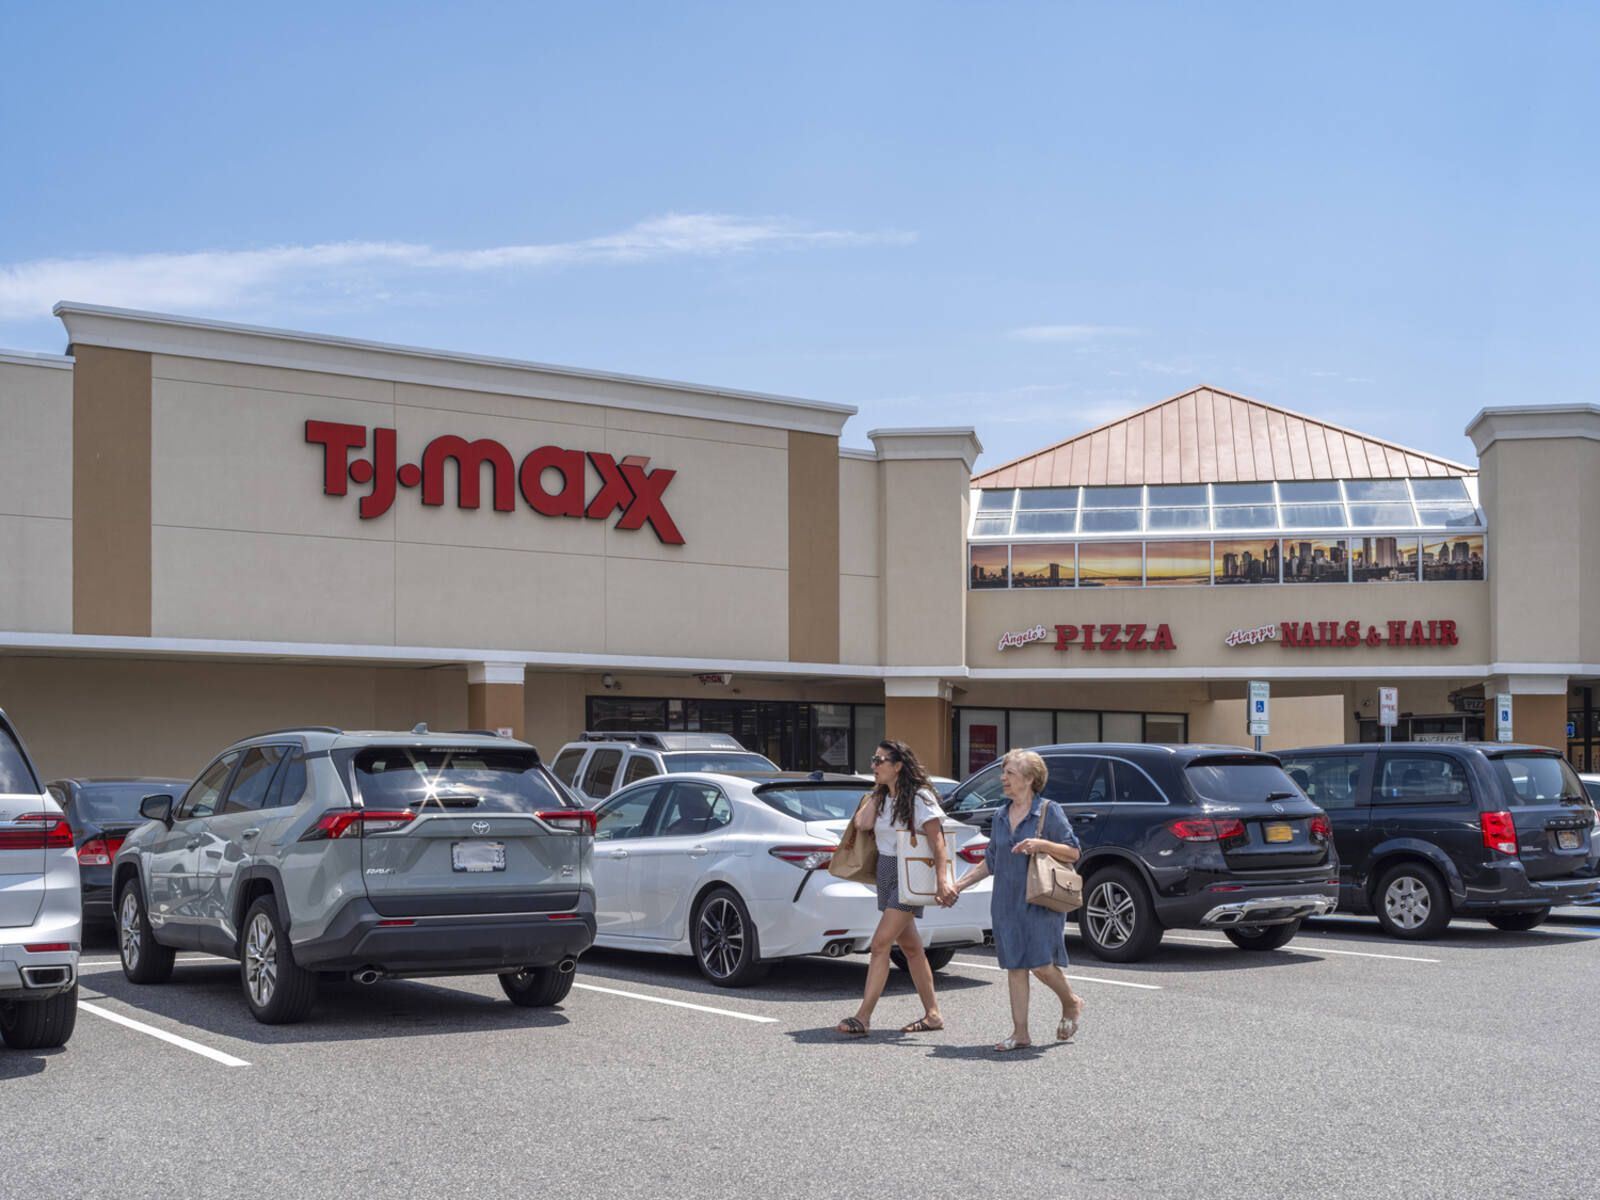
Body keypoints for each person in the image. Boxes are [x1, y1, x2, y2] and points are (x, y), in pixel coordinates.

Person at [951, 748, 1085, 1051]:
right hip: (1005, 902)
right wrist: (958, 886)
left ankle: (1071, 1001)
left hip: (1040, 900)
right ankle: (1020, 1033)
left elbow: (1073, 852)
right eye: (1004, 772)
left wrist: (1041, 844)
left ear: (1029, 779)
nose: (1003, 778)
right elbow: (991, 861)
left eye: (1010, 773)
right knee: (1015, 965)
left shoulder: (1049, 811)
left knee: (1041, 964)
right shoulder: (1001, 814)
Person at [834, 739, 958, 1037]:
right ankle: (933, 1015)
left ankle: (863, 1017)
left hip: (909, 874)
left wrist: (942, 879)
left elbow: (937, 840)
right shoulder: (882, 797)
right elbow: (862, 824)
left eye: (879, 761)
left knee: (880, 944)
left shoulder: (920, 797)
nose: (873, 765)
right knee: (912, 948)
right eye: (873, 759)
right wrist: (878, 792)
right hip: (887, 871)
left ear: (898, 765)